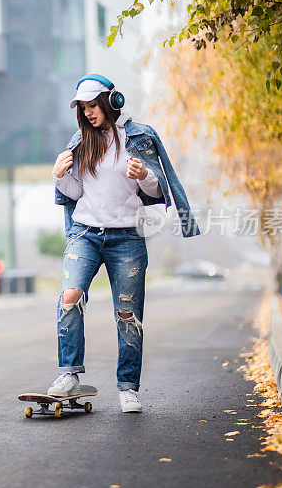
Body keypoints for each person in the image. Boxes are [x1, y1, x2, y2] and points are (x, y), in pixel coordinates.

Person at [48, 74, 200, 413]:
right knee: (69, 296)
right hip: (85, 233)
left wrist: (144, 175)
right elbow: (75, 193)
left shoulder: (139, 136)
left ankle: (128, 388)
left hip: (127, 238)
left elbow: (158, 191)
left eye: (92, 105)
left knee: (127, 314)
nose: (88, 113)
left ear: (111, 101)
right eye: (83, 108)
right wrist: (59, 175)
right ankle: (69, 373)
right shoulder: (80, 140)